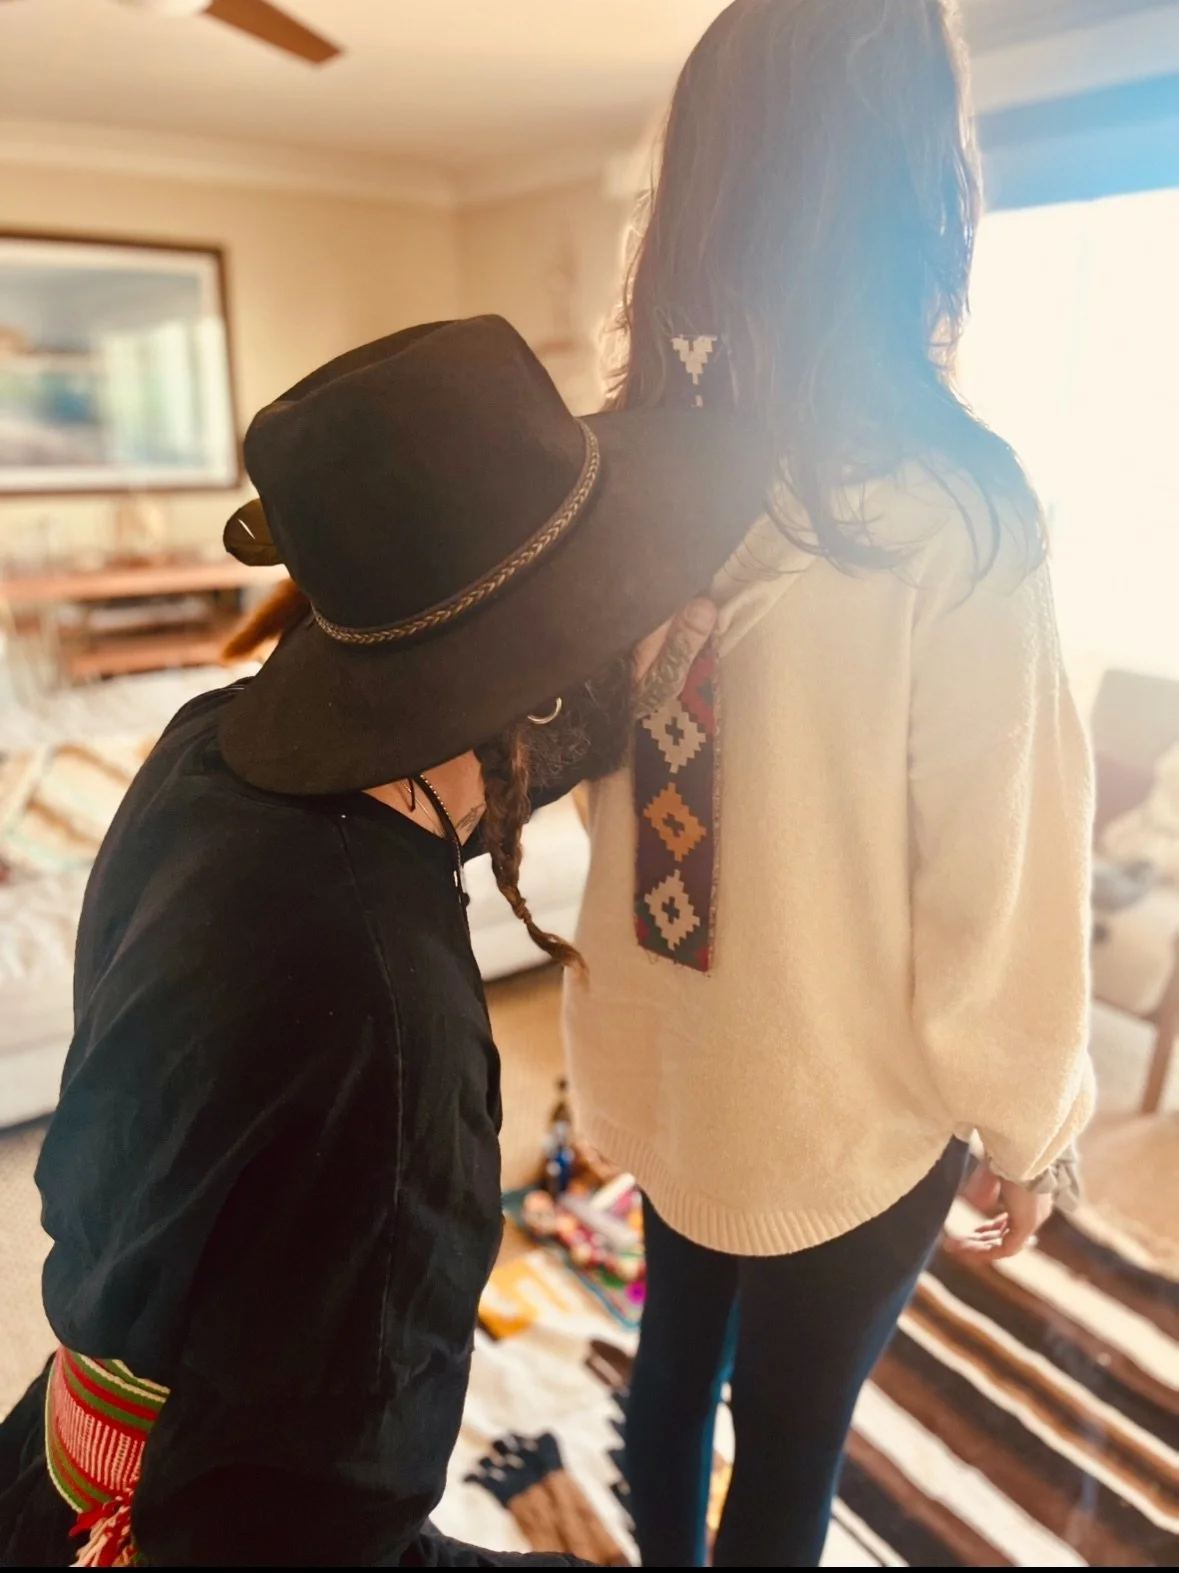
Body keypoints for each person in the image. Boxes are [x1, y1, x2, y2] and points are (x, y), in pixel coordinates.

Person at [0, 315, 765, 1568]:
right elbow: (332, 1526)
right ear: (541, 687)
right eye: (618, 608)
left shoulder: (207, 745)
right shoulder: (389, 1011)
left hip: (52, 1454)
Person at [563, 2, 1096, 1566]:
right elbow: (990, 877)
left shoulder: (631, 470)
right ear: (914, 186)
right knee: (786, 1452)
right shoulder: (956, 509)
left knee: (675, 1369)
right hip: (834, 1101)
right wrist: (1025, 1118)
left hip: (675, 1063)